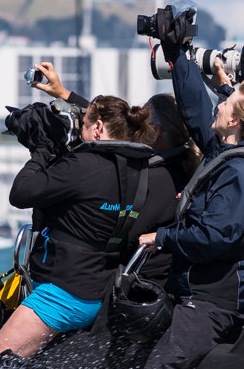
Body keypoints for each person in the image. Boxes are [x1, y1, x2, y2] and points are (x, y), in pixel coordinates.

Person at [136, 35, 244, 369]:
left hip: (211, 302)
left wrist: (161, 238)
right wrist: (177, 53)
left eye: (227, 102)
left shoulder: (239, 172)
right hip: (199, 292)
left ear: (237, 120)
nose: (220, 104)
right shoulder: (222, 154)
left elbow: (218, 235)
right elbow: (195, 107)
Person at [0, 95, 155, 358]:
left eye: (84, 125)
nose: (80, 132)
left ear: (98, 128)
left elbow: (20, 193)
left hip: (61, 295)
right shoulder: (138, 168)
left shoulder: (84, 164)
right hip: (98, 291)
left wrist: (42, 147)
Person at [27, 61, 199, 282]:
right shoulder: (185, 165)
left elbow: (120, 235)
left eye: (138, 121)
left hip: (135, 284)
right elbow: (112, 127)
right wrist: (65, 94)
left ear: (155, 133)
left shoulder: (150, 178)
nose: (130, 125)